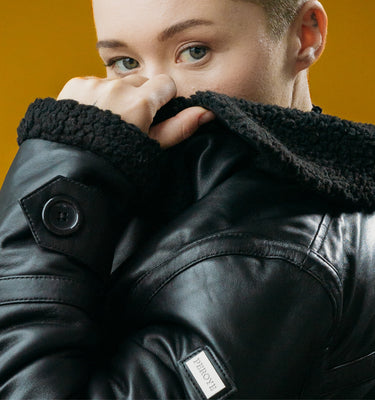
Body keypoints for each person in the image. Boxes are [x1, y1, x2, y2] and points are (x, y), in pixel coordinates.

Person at [0, 0, 374, 398]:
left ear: (305, 35)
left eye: (195, 51)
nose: (156, 93)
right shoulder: (186, 191)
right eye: (125, 62)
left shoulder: (266, 255)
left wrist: (65, 163)